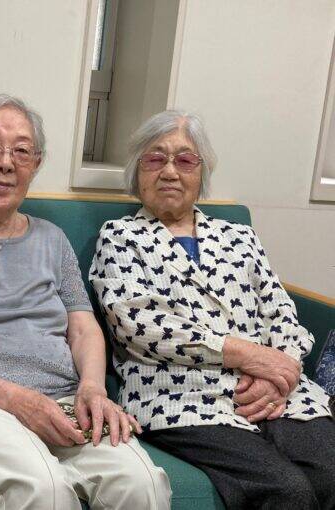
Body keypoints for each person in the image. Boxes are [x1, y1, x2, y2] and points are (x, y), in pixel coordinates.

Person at [0, 94, 171, 510]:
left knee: (142, 484)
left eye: (22, 151)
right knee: (43, 488)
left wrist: (93, 388)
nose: (6, 163)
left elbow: (83, 328)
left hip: (61, 395)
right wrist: (16, 400)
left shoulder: (52, 239)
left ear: (36, 164)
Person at [89, 110, 335, 510]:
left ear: (201, 173)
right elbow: (137, 324)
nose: (170, 171)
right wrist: (246, 353)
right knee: (286, 490)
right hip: (181, 396)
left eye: (185, 160)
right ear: (137, 171)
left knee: (330, 473)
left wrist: (282, 371)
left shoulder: (240, 236)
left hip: (280, 392)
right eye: (156, 159)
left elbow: (281, 312)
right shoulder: (121, 238)